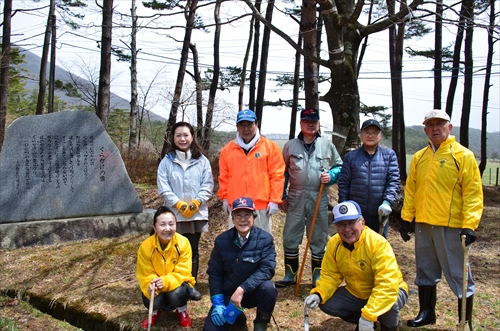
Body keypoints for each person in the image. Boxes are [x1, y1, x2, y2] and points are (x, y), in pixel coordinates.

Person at [400, 109, 483, 330]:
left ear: (449, 127)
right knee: (425, 269)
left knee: (458, 273)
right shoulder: (420, 157)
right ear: (425, 129)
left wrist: (469, 224)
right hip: (424, 224)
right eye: (430, 124)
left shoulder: (462, 155)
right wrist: (407, 218)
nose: (435, 128)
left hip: (451, 226)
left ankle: (465, 321)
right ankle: (427, 313)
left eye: (440, 124)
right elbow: (412, 190)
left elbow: (473, 192)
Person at [304, 200, 408, 331]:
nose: (347, 229)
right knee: (327, 302)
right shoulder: (334, 244)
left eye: (351, 223)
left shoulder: (378, 244)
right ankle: (365, 321)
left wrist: (368, 315)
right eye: (341, 224)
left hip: (394, 289)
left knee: (389, 304)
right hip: (358, 293)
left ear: (362, 223)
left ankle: (387, 326)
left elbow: (387, 285)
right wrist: (319, 294)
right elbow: (330, 275)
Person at [276, 108, 343, 288]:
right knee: (290, 234)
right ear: (301, 124)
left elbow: (339, 166)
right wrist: (282, 195)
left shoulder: (327, 145)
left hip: (319, 195)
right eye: (307, 121)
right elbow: (283, 173)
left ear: (318, 124)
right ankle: (290, 275)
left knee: (319, 235)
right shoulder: (290, 146)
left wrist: (332, 176)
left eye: (314, 121)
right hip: (295, 196)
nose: (311, 124)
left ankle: (317, 276)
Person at [157, 121, 214, 301]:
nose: (182, 139)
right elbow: (163, 187)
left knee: (193, 250)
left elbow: (208, 184)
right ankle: (174, 284)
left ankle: (191, 284)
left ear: (192, 137)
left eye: (186, 135)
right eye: (178, 135)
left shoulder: (202, 160)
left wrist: (197, 201)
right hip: (174, 215)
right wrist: (178, 204)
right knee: (174, 251)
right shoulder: (166, 162)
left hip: (195, 214)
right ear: (172, 138)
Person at [202, 197, 277, 331]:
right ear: (232, 219)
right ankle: (237, 316)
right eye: (238, 215)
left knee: (269, 288)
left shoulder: (265, 239)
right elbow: (215, 273)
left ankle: (261, 322)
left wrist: (242, 289)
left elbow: (267, 269)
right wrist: (218, 303)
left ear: (254, 217)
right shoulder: (221, 241)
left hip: (253, 292)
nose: (243, 219)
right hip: (229, 294)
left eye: (247, 215)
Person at [218, 109, 285, 234]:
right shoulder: (227, 150)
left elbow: (277, 176)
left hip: (260, 206)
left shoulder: (270, 148)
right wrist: (225, 198)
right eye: (242, 125)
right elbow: (224, 177)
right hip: (236, 206)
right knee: (236, 246)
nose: (246, 129)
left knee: (261, 244)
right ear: (237, 127)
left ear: (256, 124)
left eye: (249, 124)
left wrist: (274, 200)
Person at [338, 119, 400, 237]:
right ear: (361, 134)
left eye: (374, 132)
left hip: (380, 213)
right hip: (356, 214)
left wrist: (387, 202)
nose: (370, 135)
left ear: (380, 135)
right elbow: (344, 183)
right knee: (356, 247)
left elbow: (393, 180)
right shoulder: (351, 156)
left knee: (377, 249)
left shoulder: (389, 155)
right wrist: (344, 206)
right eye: (367, 132)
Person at [136, 206, 195, 329]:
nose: (167, 229)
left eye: (171, 224)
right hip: (156, 283)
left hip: (177, 284)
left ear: (176, 225)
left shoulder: (183, 243)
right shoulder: (146, 247)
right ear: (154, 227)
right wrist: (151, 283)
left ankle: (181, 310)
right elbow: (144, 273)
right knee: (152, 296)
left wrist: (166, 281)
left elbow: (183, 272)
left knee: (178, 294)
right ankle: (154, 311)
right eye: (162, 224)